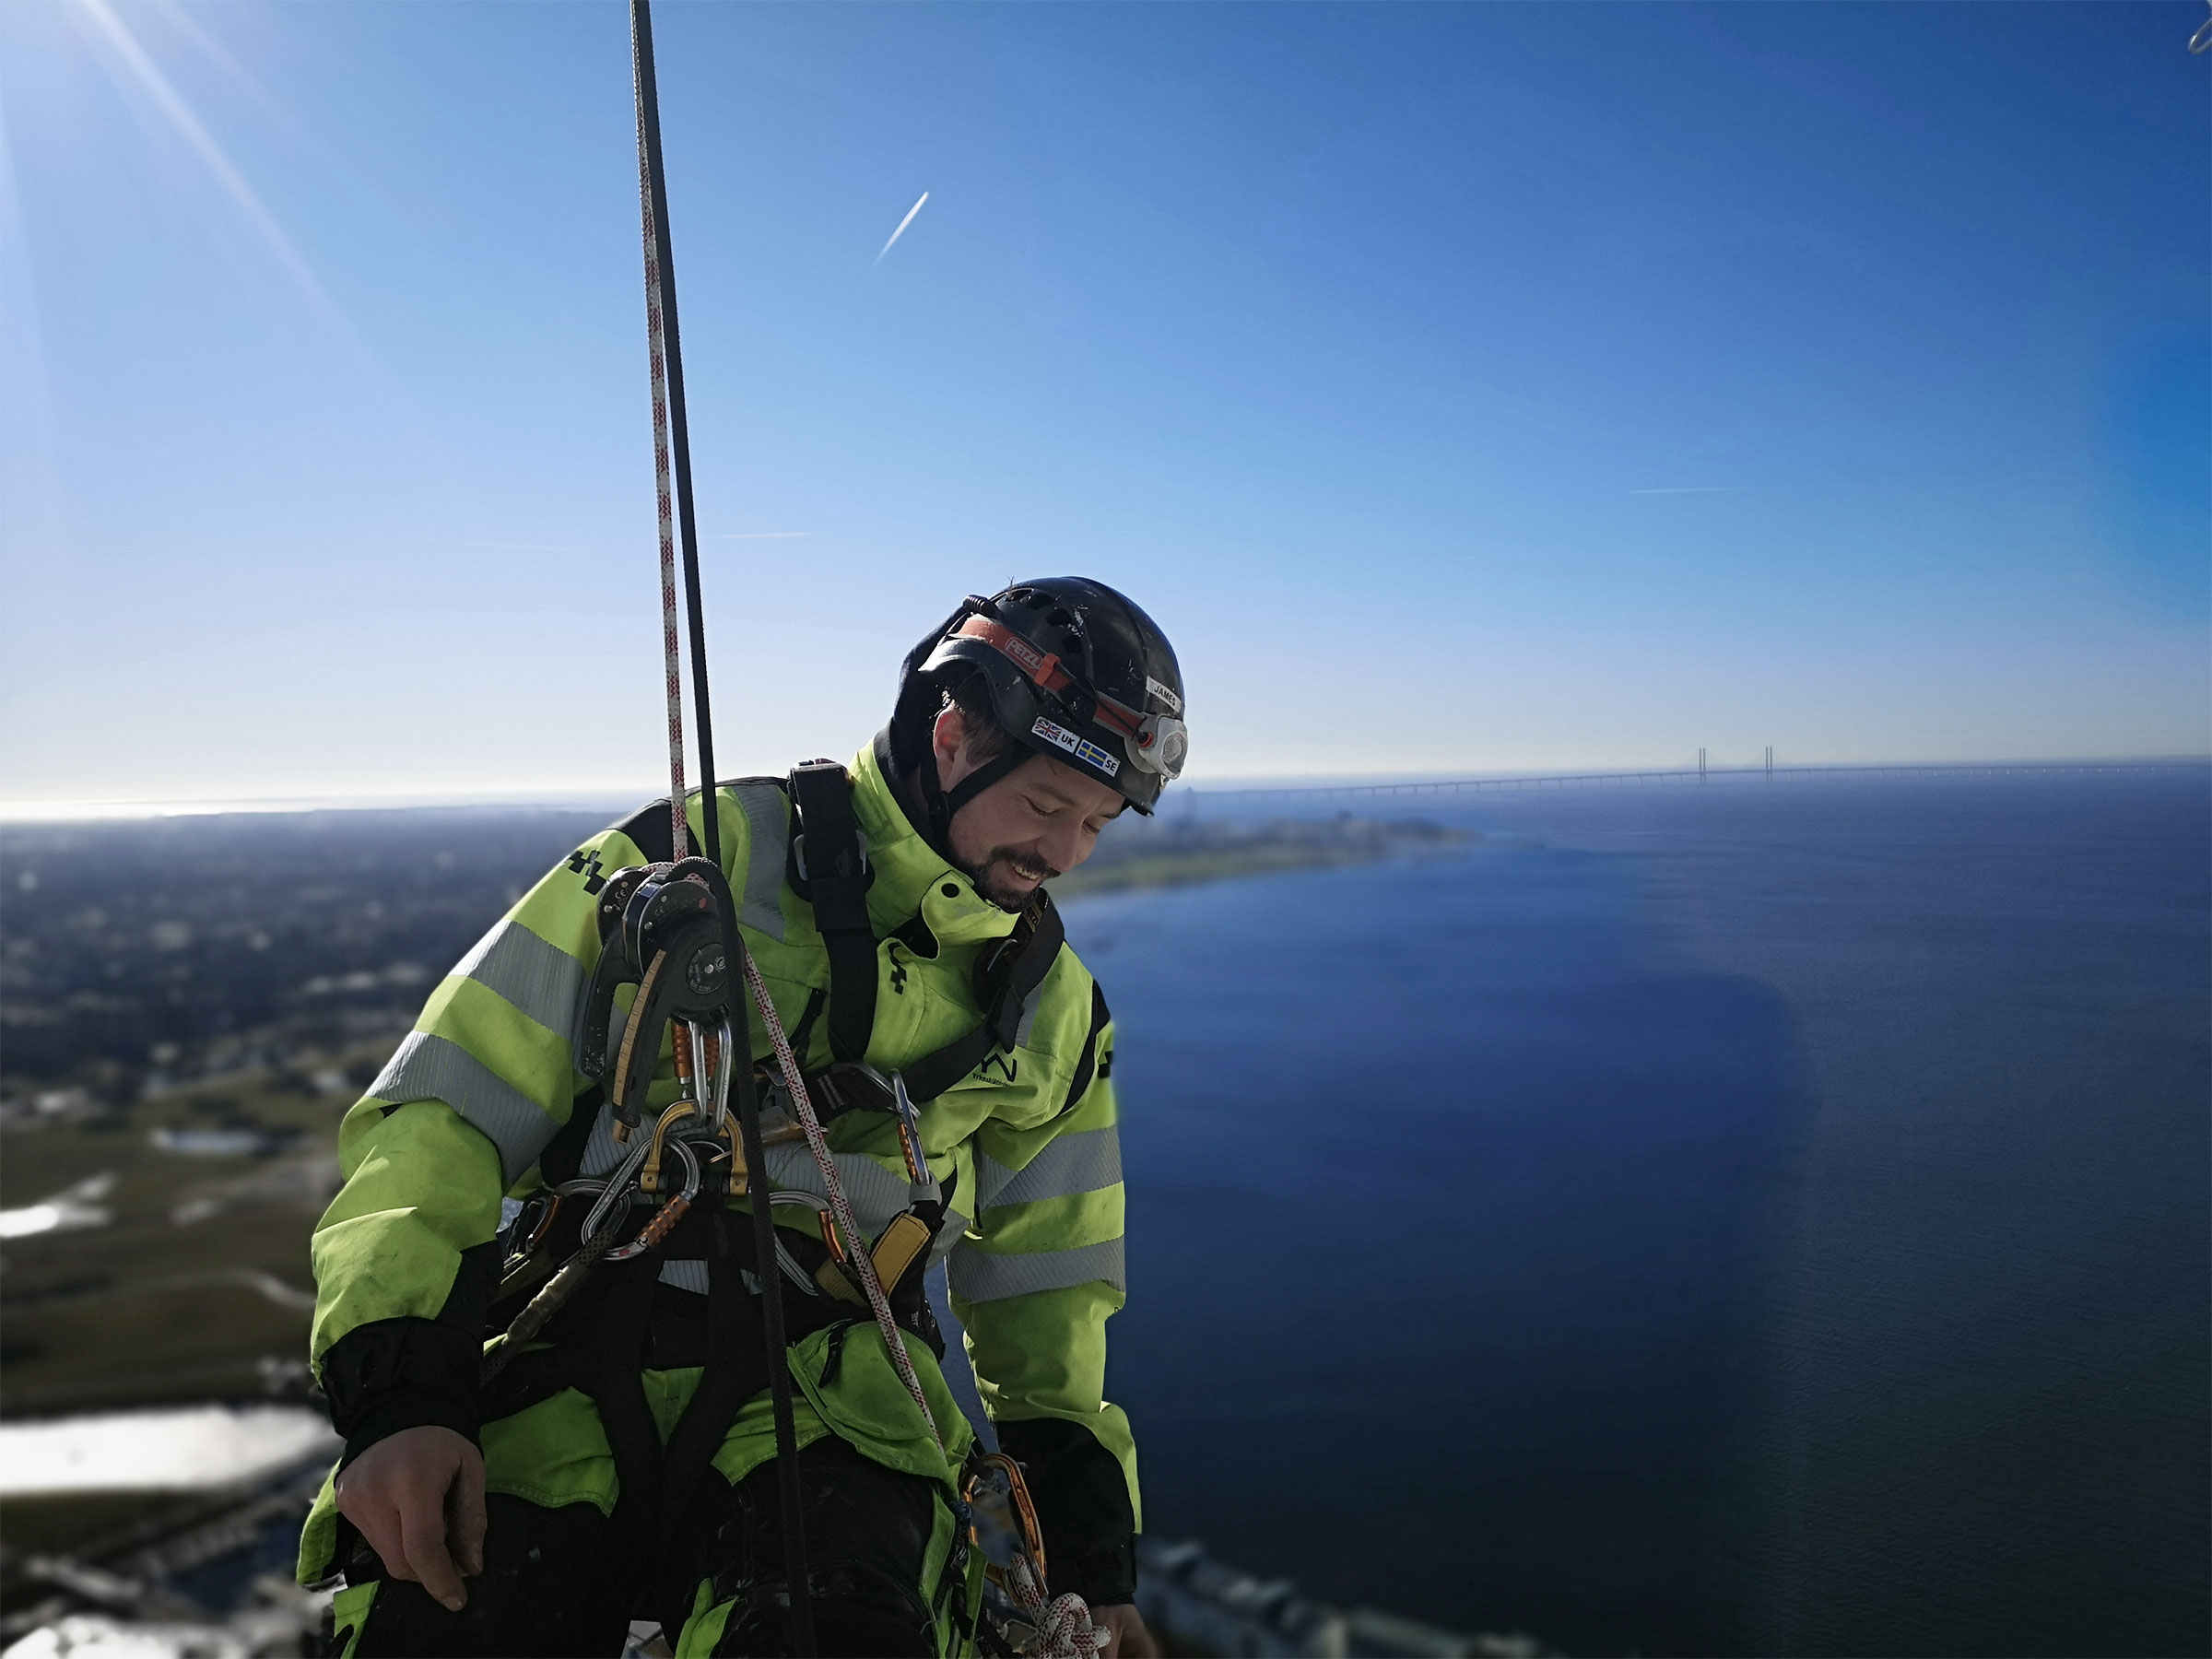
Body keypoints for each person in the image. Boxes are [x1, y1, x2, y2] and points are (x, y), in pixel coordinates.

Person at [294, 579, 1187, 1658]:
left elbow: (1049, 1297)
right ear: (955, 736)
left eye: (1096, 824)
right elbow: (443, 1112)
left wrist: (1090, 1567)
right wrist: (404, 1402)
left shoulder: (1051, 1010)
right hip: (577, 1357)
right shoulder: (688, 862)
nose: (1065, 855)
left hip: (838, 1414)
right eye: (1048, 808)